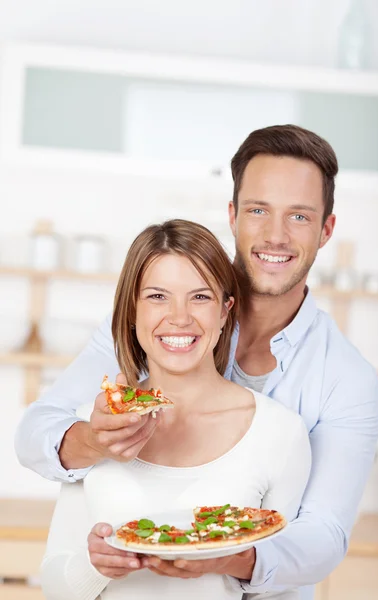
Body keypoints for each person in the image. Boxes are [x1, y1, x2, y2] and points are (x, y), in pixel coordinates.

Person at [15, 125, 378, 600]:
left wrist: (227, 554)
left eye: (299, 216)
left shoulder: (343, 381)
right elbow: (37, 433)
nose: (275, 234)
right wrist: (95, 439)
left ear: (326, 229)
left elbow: (324, 536)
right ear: (232, 215)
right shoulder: (149, 330)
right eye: (257, 210)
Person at [39, 219, 311, 600]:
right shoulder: (96, 427)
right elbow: (54, 583)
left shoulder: (280, 432)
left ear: (224, 311)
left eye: (200, 297)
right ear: (132, 311)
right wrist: (95, 565)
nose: (179, 317)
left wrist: (227, 560)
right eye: (157, 296)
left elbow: (284, 590)